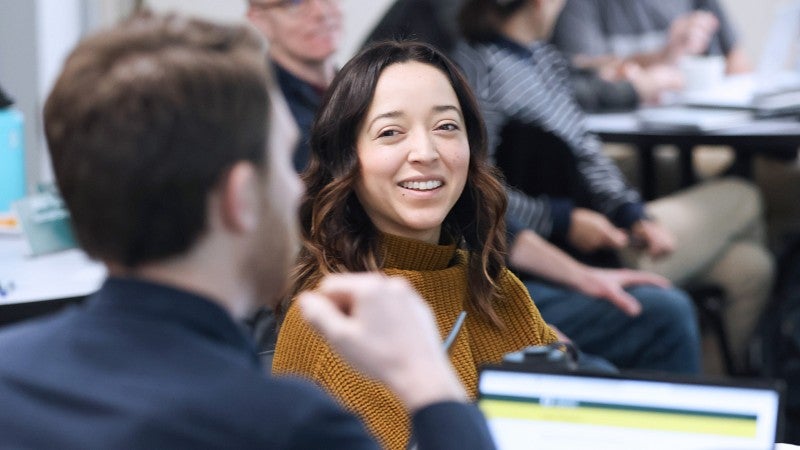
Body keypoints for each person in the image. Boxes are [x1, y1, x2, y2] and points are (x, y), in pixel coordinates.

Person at [0, 13, 496, 449]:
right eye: (283, 162)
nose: (299, 190)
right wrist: (430, 381)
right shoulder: (291, 425)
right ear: (240, 199)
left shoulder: (10, 376)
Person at [453, 0, 773, 373]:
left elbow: (586, 150)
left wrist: (630, 212)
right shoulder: (481, 73)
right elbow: (477, 188)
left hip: (592, 230)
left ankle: (716, 405)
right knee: (744, 196)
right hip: (573, 248)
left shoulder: (540, 58)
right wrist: (563, 219)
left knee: (751, 268)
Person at [272, 40, 558, 450]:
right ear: (346, 161)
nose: (425, 152)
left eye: (446, 127)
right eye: (391, 132)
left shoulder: (499, 290)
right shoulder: (330, 321)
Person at [246, 0, 341, 172]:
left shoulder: (371, 87)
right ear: (258, 18)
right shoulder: (258, 109)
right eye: (294, 3)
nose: (320, 12)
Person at [551, 0, 751, 79]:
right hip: (629, 133)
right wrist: (665, 56)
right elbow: (582, 71)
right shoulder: (576, 5)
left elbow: (737, 61)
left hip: (695, 125)